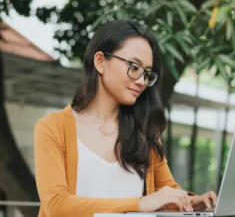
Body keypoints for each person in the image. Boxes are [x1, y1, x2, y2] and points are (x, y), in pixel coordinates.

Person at [34, 19, 217, 217]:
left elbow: (165, 194)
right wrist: (140, 203)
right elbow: (57, 206)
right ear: (100, 62)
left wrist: (192, 202)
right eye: (134, 67)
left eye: (147, 74)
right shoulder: (52, 128)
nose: (141, 81)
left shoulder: (145, 131)